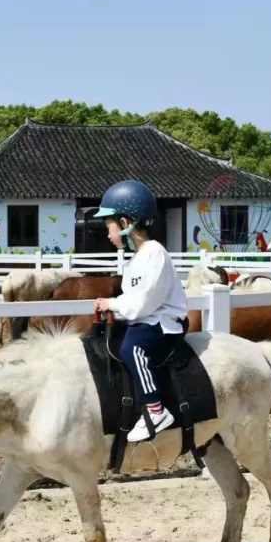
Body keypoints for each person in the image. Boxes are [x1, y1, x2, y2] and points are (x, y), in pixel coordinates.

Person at [92, 180, 190, 443]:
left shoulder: (155, 253)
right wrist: (111, 306)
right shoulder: (136, 259)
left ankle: (156, 410)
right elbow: (132, 301)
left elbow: (141, 304)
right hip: (147, 318)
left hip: (163, 323)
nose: (107, 234)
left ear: (125, 224)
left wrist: (111, 305)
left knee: (132, 348)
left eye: (109, 227)